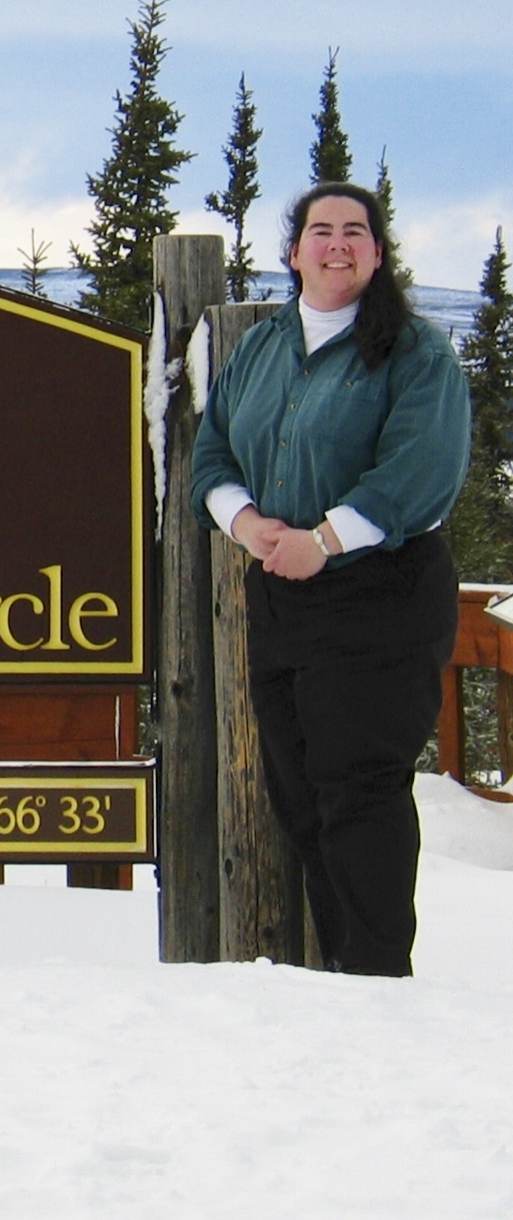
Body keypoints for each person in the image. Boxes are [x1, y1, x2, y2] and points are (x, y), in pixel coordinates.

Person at [192, 181, 470, 976]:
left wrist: (326, 537)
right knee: (304, 799)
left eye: (356, 231)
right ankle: (349, 981)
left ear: (378, 253)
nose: (337, 244)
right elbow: (214, 450)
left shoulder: (416, 353)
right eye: (322, 230)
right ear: (295, 250)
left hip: (381, 595)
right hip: (284, 598)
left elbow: (421, 470)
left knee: (360, 792)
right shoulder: (264, 348)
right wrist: (246, 523)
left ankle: (380, 978)